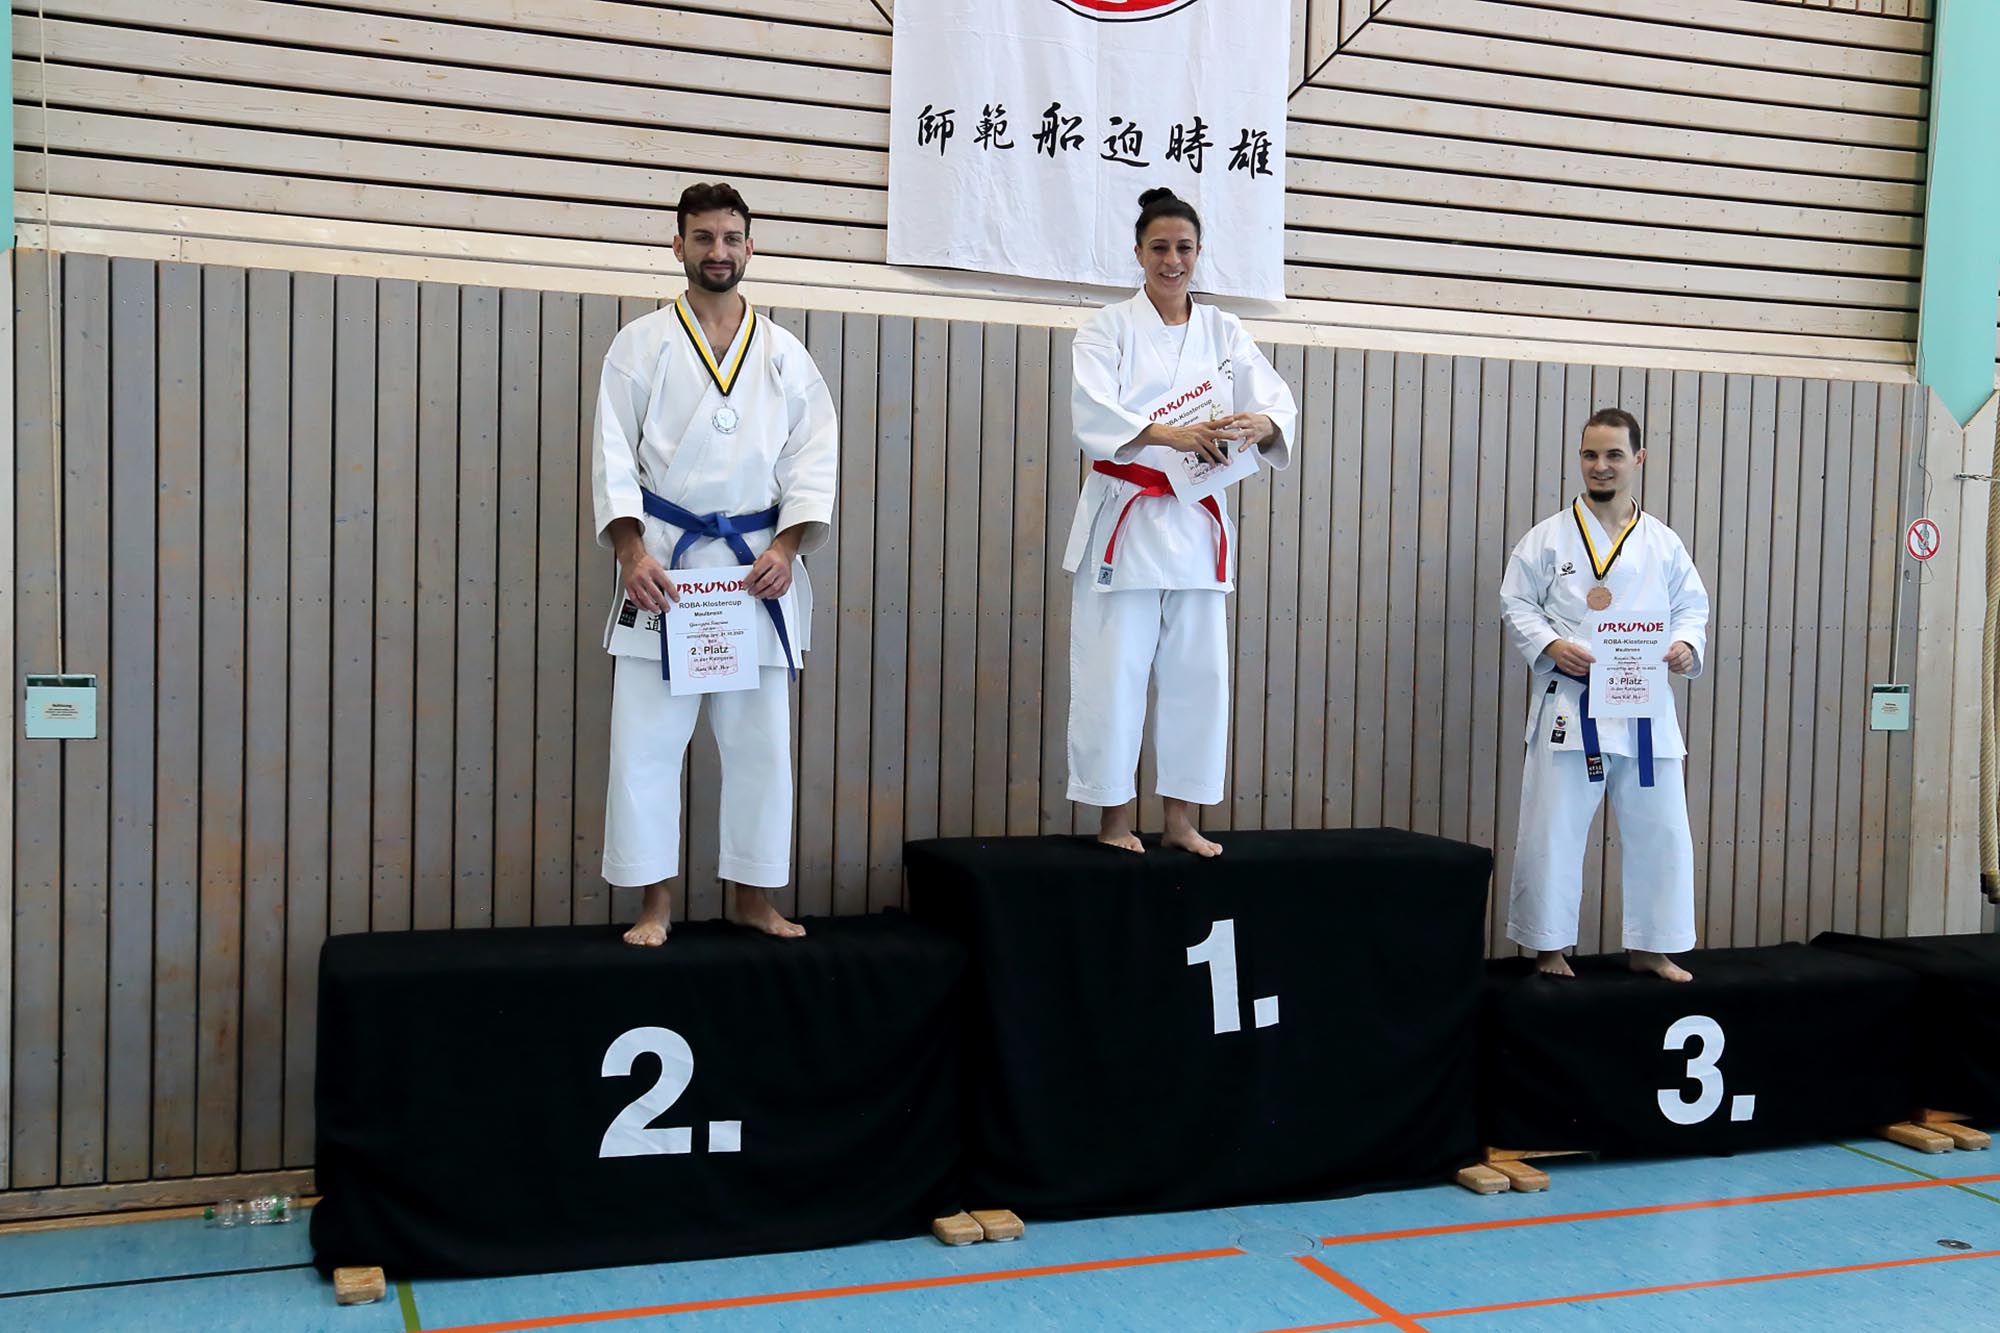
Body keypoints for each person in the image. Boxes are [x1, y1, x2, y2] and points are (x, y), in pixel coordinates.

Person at [592, 182, 837, 945]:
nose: (718, 251)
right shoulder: (639, 345)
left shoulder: (786, 355)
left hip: (753, 570)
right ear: (679, 245)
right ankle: (654, 904)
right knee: (646, 743)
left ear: (750, 247)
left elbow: (813, 461)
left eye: (731, 238)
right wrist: (630, 551)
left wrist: (787, 548)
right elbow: (611, 458)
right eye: (703, 237)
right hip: (664, 568)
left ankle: (752, 896)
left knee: (761, 744)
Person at [1061, 187, 1298, 857]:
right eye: (1160, 247)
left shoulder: (1224, 331)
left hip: (1197, 522)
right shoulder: (1106, 329)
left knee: (1199, 676)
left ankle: (1181, 819)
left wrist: (1259, 423)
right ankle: (1114, 820)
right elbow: (1095, 414)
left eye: (1184, 248)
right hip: (1127, 518)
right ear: (1138, 252)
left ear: (1199, 253)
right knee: (1114, 673)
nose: (1173, 260)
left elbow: (1276, 403)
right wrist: (1172, 434)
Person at [1499, 408, 1710, 981]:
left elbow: (1692, 607)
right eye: (1590, 454)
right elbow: (1515, 602)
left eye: (1614, 454)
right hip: (1572, 707)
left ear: (1638, 459)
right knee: (1552, 830)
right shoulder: (1546, 538)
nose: (1601, 465)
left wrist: (1685, 645)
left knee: (1662, 830)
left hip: (1644, 709)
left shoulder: (1663, 543)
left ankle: (1653, 947)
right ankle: (1548, 950)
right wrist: (1550, 645)